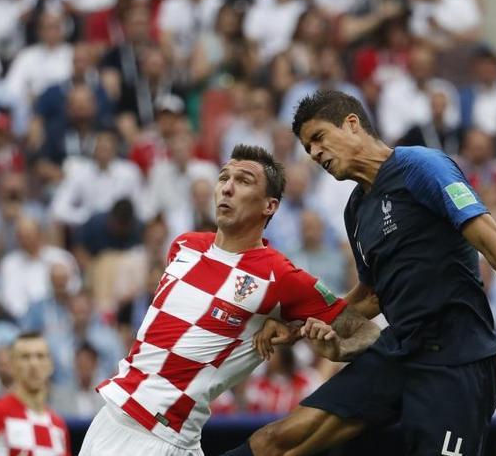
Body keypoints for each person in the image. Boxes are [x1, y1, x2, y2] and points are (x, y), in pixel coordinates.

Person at [227, 90, 496, 456]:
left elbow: (493, 242)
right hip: (398, 351)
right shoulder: (356, 211)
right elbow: (371, 296)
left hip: (458, 361)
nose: (313, 154)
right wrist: (298, 328)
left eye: (318, 138)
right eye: (307, 147)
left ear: (352, 124)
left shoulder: (421, 167)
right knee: (275, 442)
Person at [78, 145, 379, 455]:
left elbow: (364, 330)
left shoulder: (279, 274)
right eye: (224, 177)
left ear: (269, 206)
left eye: (244, 180)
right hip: (109, 416)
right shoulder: (184, 245)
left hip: (160, 437)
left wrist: (332, 347)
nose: (228, 187)